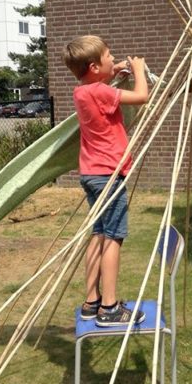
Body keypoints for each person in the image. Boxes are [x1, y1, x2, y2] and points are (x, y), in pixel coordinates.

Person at [62, 35, 149, 326]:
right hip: (109, 175)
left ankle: (92, 301)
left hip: (91, 174)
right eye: (109, 55)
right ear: (93, 66)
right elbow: (141, 97)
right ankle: (110, 308)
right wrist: (138, 71)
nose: (114, 59)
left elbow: (103, 80)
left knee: (98, 234)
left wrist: (117, 68)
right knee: (113, 237)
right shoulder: (101, 91)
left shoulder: (83, 92)